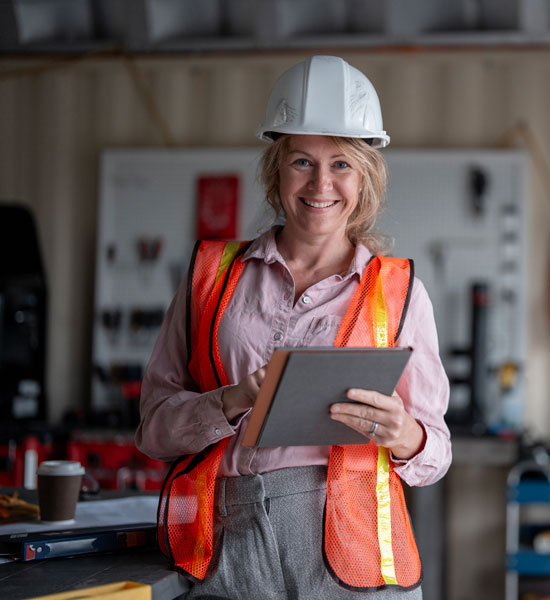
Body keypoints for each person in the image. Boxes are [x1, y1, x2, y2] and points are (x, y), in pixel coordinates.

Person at [136, 55, 451, 599]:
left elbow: (436, 453)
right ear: (276, 170)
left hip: (353, 556)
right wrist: (231, 400)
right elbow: (154, 431)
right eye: (302, 161)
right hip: (225, 549)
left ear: (366, 175)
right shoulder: (210, 279)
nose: (320, 184)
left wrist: (405, 436)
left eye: (342, 164)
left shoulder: (398, 293)